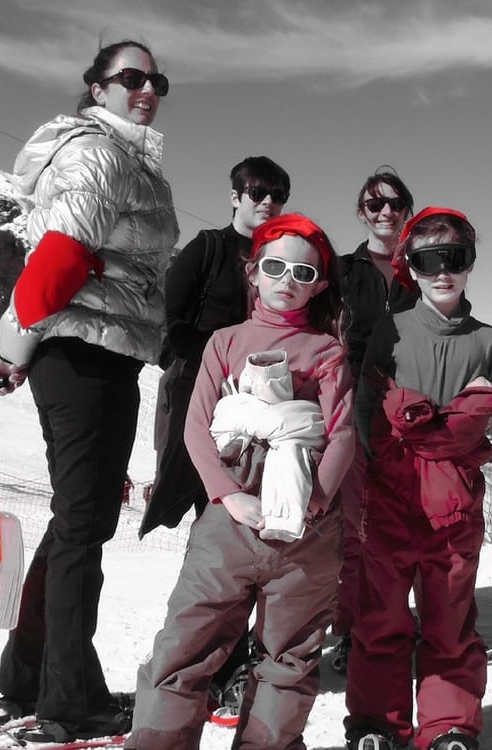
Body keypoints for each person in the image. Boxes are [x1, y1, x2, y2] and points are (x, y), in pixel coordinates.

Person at [0, 39, 178, 745]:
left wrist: (20, 349)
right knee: (83, 526)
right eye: (132, 77)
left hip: (96, 352)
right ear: (97, 88)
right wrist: (13, 349)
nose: (147, 89)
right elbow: (60, 258)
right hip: (85, 355)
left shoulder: (123, 156)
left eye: (157, 81)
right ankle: (68, 702)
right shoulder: (100, 153)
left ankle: (28, 681)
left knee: (75, 523)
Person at [125, 214, 354, 750]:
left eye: (303, 272)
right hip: (229, 521)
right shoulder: (224, 342)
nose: (287, 280)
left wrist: (314, 502)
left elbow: (343, 433)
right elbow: (196, 425)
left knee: (289, 657)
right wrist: (228, 496)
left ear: (319, 284)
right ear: (253, 272)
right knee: (187, 642)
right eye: (275, 267)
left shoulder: (328, 351)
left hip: (305, 529)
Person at [343, 208, 492, 750]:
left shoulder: (487, 339)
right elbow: (368, 407)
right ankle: (376, 723)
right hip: (391, 495)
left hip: (455, 503)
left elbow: (475, 420)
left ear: (470, 263)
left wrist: (424, 426)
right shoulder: (391, 329)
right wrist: (383, 461)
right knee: (380, 616)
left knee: (450, 619)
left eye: (454, 258)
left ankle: (449, 725)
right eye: (428, 260)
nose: (443, 272)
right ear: (410, 267)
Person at [141, 155, 292, 720]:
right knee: (213, 531)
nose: (266, 203)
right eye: (256, 192)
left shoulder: (282, 260)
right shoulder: (207, 248)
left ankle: (225, 665)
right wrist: (216, 362)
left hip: (263, 412)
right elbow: (169, 320)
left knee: (251, 532)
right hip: (200, 403)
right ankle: (197, 666)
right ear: (235, 196)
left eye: (276, 195)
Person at [330, 167, 419, 675]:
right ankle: (351, 630)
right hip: (352, 407)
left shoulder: (422, 268)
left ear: (407, 210)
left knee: (409, 524)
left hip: (408, 409)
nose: (386, 211)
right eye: (374, 203)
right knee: (356, 526)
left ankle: (402, 622)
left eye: (395, 203)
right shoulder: (343, 271)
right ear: (361, 212)